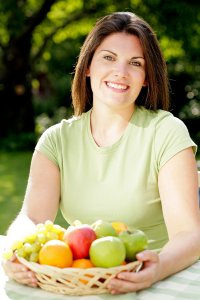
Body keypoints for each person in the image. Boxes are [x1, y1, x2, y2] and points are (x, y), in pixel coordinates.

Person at [2, 11, 200, 294]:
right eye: (108, 57)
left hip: (163, 279)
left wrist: (156, 268)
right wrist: (14, 250)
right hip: (85, 280)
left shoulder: (166, 132)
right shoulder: (56, 140)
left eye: (135, 63)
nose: (121, 71)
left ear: (146, 78)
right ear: (87, 67)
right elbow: (31, 219)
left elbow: (190, 235)